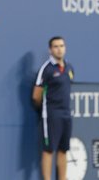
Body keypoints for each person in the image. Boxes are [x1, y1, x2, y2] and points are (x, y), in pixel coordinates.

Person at [32, 36, 74, 180]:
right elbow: (36, 96)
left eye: (62, 45)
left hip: (66, 114)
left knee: (63, 149)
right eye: (56, 46)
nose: (59, 49)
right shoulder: (46, 69)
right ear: (50, 50)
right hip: (51, 115)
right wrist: (45, 110)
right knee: (49, 150)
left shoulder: (69, 68)